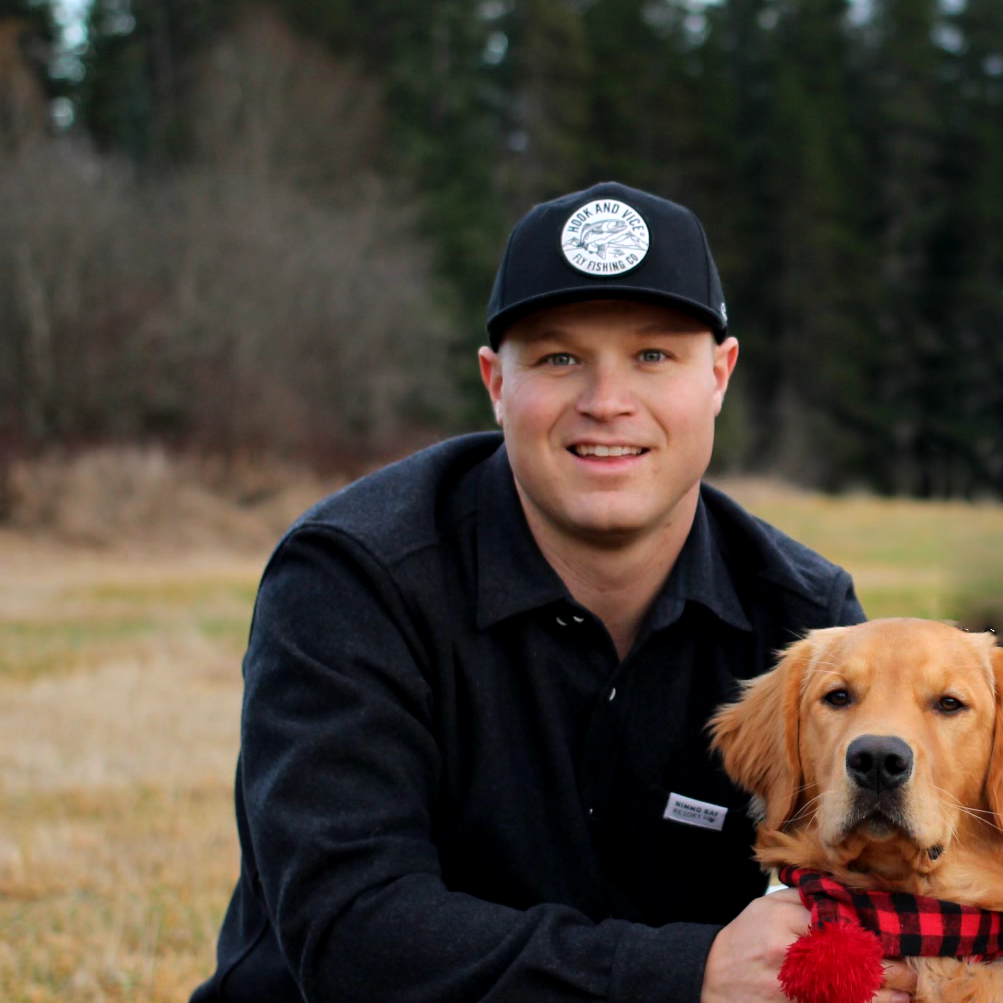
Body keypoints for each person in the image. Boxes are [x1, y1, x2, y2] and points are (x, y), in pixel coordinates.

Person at [190, 181, 915, 1003]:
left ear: (718, 374)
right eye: (558, 357)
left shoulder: (804, 618)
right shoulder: (353, 580)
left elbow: (882, 901)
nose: (606, 403)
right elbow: (352, 930)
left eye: (652, 356)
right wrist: (682, 976)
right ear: (495, 381)